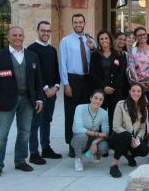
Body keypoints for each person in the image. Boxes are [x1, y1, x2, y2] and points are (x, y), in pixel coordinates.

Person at [0, 26, 44, 178]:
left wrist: (39, 98)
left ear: (24, 37)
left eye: (20, 35)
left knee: (25, 132)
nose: (18, 38)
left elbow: (38, 80)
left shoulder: (32, 56)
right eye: (14, 35)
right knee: (1, 134)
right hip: (5, 101)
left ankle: (20, 160)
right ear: (8, 37)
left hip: (27, 100)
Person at [59, 13, 96, 157]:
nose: (78, 24)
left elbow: (95, 57)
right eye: (75, 22)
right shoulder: (65, 41)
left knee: (85, 113)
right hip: (73, 79)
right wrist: (66, 84)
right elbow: (62, 64)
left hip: (87, 80)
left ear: (84, 23)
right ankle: (71, 144)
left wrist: (92, 47)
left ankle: (84, 143)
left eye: (81, 22)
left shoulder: (90, 40)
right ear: (72, 24)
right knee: (71, 113)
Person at [27, 21, 62, 164]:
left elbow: (56, 70)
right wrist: (45, 88)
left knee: (47, 121)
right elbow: (33, 73)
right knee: (35, 123)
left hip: (52, 92)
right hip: (38, 93)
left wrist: (56, 87)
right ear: (37, 30)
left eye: (48, 31)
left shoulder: (52, 50)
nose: (46, 33)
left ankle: (46, 148)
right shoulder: (31, 49)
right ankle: (34, 153)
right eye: (43, 30)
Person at [108, 83, 149, 178]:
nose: (136, 93)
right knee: (126, 136)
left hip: (133, 138)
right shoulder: (121, 105)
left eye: (138, 91)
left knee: (145, 149)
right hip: (118, 137)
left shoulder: (144, 108)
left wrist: (137, 139)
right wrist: (130, 138)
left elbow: (142, 128)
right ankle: (114, 165)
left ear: (142, 93)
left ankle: (129, 154)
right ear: (129, 92)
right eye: (133, 91)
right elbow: (116, 126)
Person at [90, 30, 128, 129]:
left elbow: (121, 74)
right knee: (99, 117)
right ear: (98, 41)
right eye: (101, 39)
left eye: (106, 38)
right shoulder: (95, 55)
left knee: (114, 118)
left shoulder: (118, 54)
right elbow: (93, 73)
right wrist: (104, 87)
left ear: (110, 39)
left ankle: (112, 140)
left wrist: (113, 87)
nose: (104, 41)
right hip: (100, 91)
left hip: (115, 91)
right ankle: (99, 139)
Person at [71, 90, 110, 172]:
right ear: (90, 98)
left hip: (93, 138)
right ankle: (78, 159)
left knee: (104, 146)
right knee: (82, 136)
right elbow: (79, 129)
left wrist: (94, 143)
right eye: (95, 98)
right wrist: (97, 133)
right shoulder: (80, 108)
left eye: (100, 99)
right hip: (79, 137)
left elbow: (105, 133)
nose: (97, 101)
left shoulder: (104, 113)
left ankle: (95, 154)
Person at [127, 27, 149, 101]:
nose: (142, 36)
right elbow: (131, 69)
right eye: (139, 35)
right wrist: (140, 84)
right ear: (136, 37)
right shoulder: (133, 51)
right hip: (138, 88)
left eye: (144, 34)